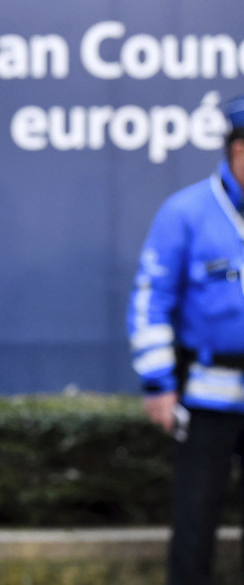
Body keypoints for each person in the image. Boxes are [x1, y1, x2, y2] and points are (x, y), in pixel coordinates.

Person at [128, 96, 244, 584]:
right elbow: (150, 300)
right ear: (235, 151)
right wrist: (158, 383)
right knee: (195, 524)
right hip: (207, 397)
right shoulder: (186, 212)